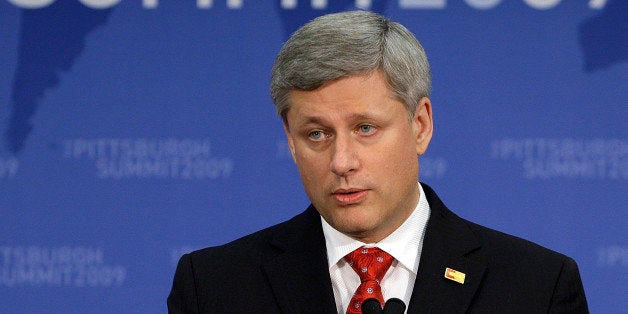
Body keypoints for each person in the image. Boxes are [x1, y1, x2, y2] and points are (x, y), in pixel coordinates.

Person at [167, 11, 588, 313]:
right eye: (317, 134)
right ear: (290, 142)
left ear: (420, 125)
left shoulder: (536, 286)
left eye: (365, 128)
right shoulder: (213, 286)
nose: (342, 162)